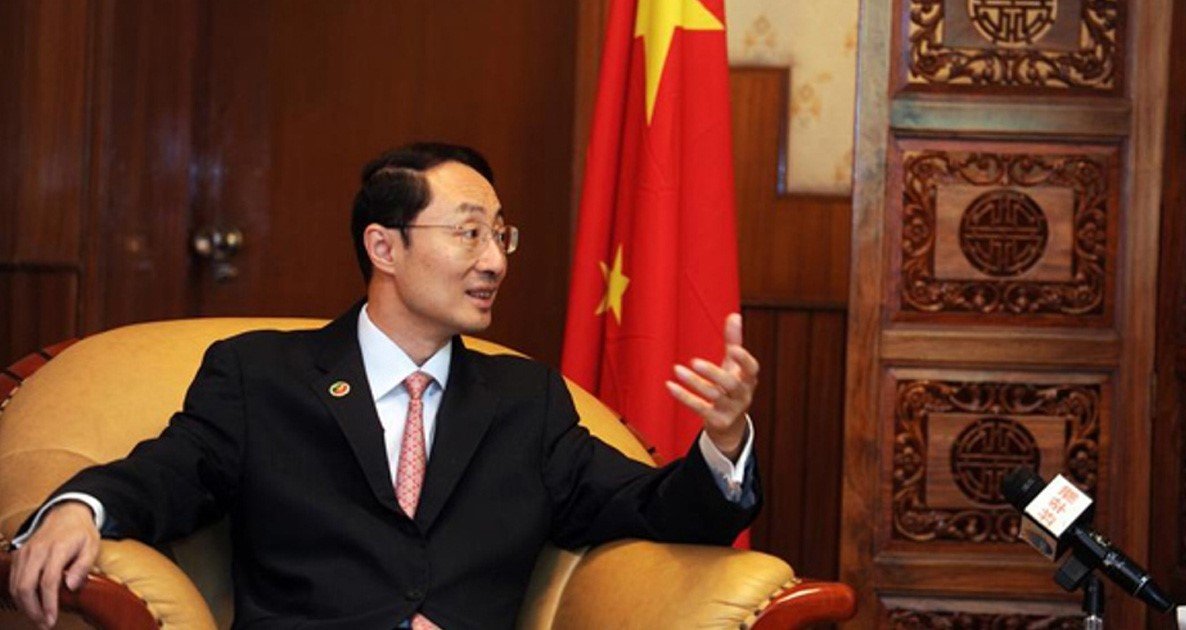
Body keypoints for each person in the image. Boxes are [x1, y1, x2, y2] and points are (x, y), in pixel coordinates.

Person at [8, 143, 761, 629]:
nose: (495, 260)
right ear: (384, 247)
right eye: (469, 232)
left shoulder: (524, 401)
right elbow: (167, 474)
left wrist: (724, 444)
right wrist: (80, 507)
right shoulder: (261, 377)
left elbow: (648, 508)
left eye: (501, 234)